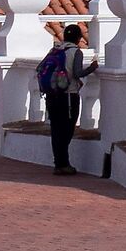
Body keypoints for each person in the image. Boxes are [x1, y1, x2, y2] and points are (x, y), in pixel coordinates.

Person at [39, 23, 98, 176]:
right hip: (68, 96)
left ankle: (59, 162)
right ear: (79, 38)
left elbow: (40, 67)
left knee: (56, 129)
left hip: (52, 95)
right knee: (67, 129)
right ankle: (63, 163)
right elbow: (77, 73)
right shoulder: (76, 52)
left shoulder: (55, 49)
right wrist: (93, 67)